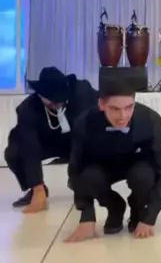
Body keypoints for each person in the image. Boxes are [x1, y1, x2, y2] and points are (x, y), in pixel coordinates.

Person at [65, 80, 161, 242]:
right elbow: (76, 167)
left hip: (137, 164)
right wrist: (87, 215)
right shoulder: (84, 121)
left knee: (145, 177)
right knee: (87, 177)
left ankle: (137, 210)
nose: (123, 117)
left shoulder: (150, 119)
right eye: (115, 109)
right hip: (101, 164)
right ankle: (115, 206)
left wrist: (150, 216)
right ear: (101, 105)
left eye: (129, 107)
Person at [4, 66, 97, 212]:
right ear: (40, 95)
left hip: (76, 140)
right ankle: (37, 190)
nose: (57, 105)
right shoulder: (27, 109)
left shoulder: (82, 91)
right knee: (13, 152)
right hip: (45, 143)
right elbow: (29, 147)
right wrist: (37, 186)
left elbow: (104, 105)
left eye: (60, 100)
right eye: (52, 101)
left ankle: (80, 182)